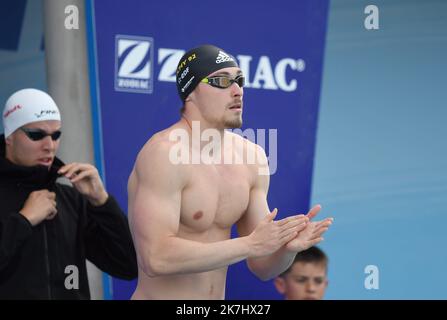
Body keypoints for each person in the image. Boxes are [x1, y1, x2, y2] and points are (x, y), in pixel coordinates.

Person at [127, 44, 333, 299]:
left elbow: (262, 266)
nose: (237, 91)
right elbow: (155, 258)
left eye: (240, 80)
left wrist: (286, 250)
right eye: (222, 81)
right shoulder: (164, 154)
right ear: (190, 92)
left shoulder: (252, 156)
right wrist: (249, 244)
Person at [0, 88, 137, 299]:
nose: (50, 146)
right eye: (37, 135)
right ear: (10, 136)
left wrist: (101, 202)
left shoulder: (70, 200)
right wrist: (24, 221)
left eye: (56, 135)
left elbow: (128, 266)